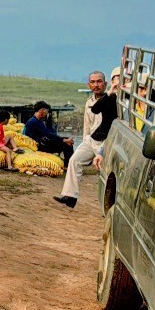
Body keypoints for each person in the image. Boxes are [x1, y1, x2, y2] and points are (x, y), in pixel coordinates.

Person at [54, 71, 117, 209]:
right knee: (74, 160)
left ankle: (109, 205)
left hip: (107, 141)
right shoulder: (89, 102)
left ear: (105, 84)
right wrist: (84, 143)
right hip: (92, 139)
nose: (96, 85)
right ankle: (70, 196)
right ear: (89, 85)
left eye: (99, 81)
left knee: (107, 173)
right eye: (93, 82)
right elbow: (87, 126)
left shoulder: (113, 99)